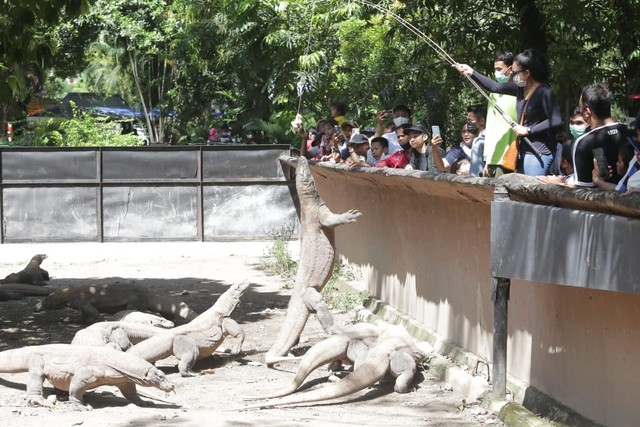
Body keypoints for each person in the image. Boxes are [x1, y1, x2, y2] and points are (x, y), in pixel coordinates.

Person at [454, 48, 562, 176]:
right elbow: (495, 87)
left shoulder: (544, 91)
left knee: (530, 191)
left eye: (515, 72)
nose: (512, 75)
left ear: (527, 73)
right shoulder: (520, 89)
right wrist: (471, 72)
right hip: (522, 150)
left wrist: (528, 130)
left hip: (538, 151)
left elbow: (556, 120)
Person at [539, 83, 627, 188]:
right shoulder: (630, 131)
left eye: (580, 107)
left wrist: (560, 184)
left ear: (587, 112)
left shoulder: (584, 143)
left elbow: (583, 191)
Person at [483, 51, 518, 177]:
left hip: (514, 154)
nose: (496, 72)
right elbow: (491, 126)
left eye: (499, 69)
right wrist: (487, 159)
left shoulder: (521, 91)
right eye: (495, 69)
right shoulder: (493, 94)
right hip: (495, 158)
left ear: (510, 69)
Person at [466, 104, 487, 176]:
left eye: (470, 120)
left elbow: (475, 173)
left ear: (481, 121)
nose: (468, 123)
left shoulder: (479, 141)